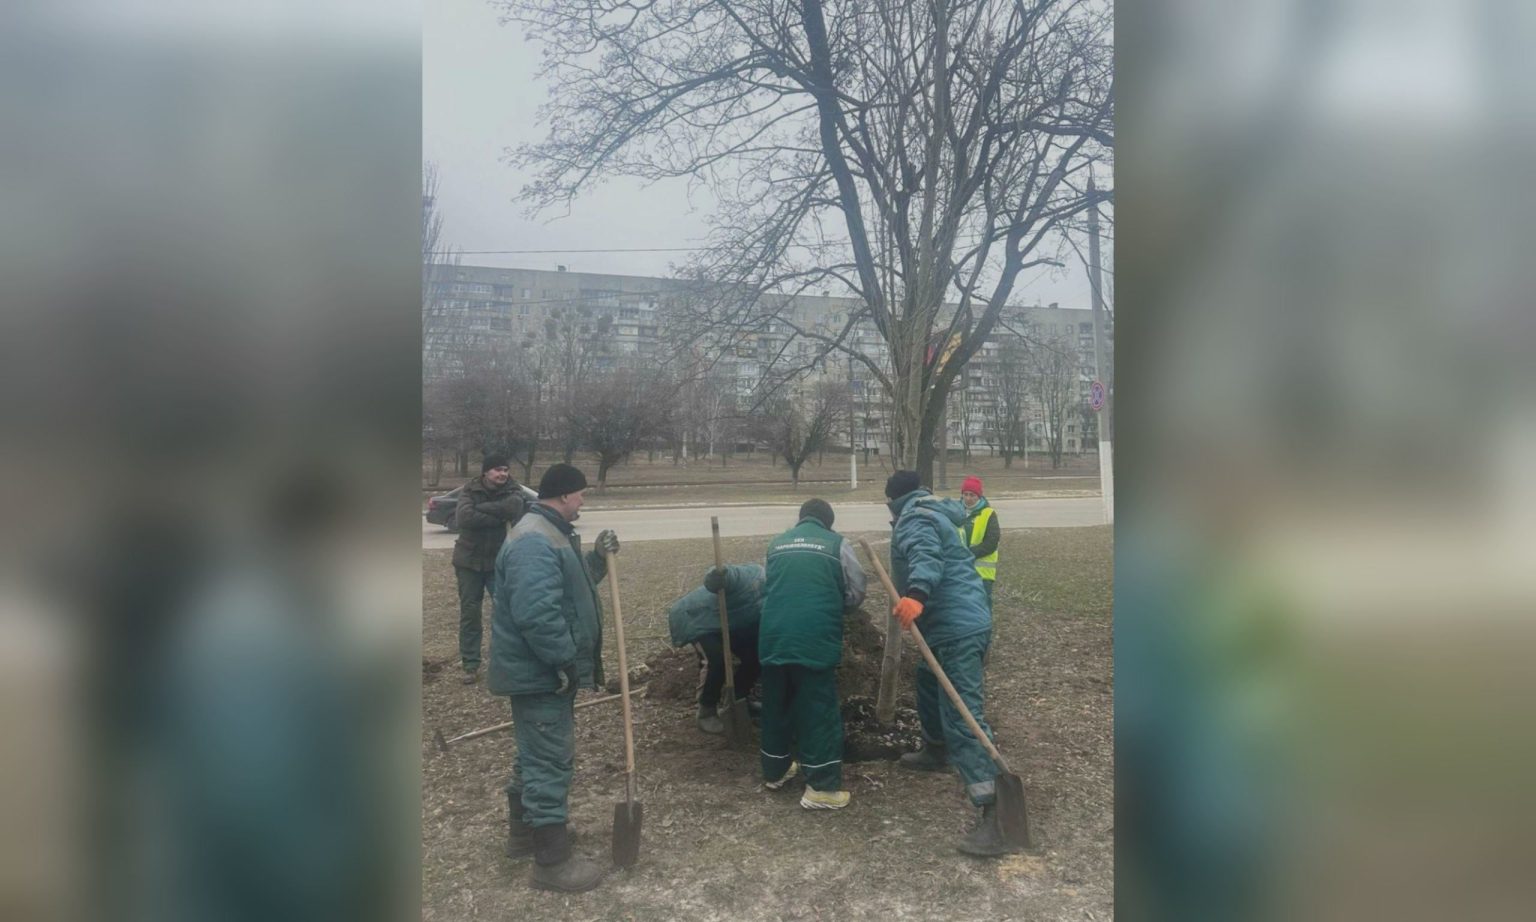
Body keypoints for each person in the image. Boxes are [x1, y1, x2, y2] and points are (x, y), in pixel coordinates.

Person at [489, 462, 620, 893]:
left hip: (541, 671)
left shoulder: (550, 533)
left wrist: (598, 559)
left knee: (533, 753)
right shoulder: (533, 540)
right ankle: (551, 861)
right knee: (548, 758)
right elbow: (536, 612)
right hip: (540, 672)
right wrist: (565, 661)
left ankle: (524, 834)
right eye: (581, 494)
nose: (584, 501)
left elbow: (568, 587)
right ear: (564, 495)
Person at [884, 470, 1011, 856]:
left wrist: (917, 594)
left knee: (961, 712)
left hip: (956, 626)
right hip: (955, 621)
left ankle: (995, 811)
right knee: (926, 681)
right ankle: (935, 749)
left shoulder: (915, 519)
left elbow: (926, 556)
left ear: (893, 501)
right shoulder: (938, 511)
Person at [757, 499, 867, 810]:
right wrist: (838, 604)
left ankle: (775, 770)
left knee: (776, 703)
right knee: (818, 709)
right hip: (814, 638)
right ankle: (821, 787)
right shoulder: (836, 544)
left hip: (773, 636)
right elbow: (856, 589)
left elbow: (766, 586)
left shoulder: (776, 544)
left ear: (802, 518)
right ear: (828, 523)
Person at [667, 563, 765, 735]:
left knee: (755, 656)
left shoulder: (778, 595)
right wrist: (719, 576)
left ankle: (737, 701)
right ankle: (706, 712)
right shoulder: (756, 577)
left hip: (727, 620)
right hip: (697, 617)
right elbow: (731, 574)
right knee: (717, 661)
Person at [452, 453, 525, 683]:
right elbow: (463, 518)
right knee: (470, 614)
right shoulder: (469, 489)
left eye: (505, 469)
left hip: (498, 563)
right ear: (486, 472)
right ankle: (470, 664)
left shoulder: (513, 490)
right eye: (497, 470)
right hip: (468, 562)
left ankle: (507, 661)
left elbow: (514, 508)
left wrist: (481, 509)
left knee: (505, 613)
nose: (503, 474)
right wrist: (498, 514)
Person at [957, 475, 1000, 610]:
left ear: (979, 496)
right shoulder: (954, 512)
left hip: (982, 573)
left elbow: (991, 542)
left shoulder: (988, 513)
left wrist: (968, 554)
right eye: (966, 494)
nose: (968, 498)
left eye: (972, 495)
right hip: (959, 570)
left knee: (982, 607)